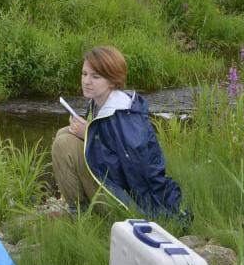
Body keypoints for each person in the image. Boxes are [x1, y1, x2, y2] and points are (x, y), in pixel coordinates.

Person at [51, 45, 183, 218]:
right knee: (65, 133)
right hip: (112, 190)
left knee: (64, 143)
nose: (86, 81)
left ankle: (80, 215)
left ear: (113, 81)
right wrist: (89, 133)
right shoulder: (98, 102)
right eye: (84, 74)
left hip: (128, 204)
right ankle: (81, 209)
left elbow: (132, 174)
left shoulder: (125, 116)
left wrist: (89, 135)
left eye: (95, 76)